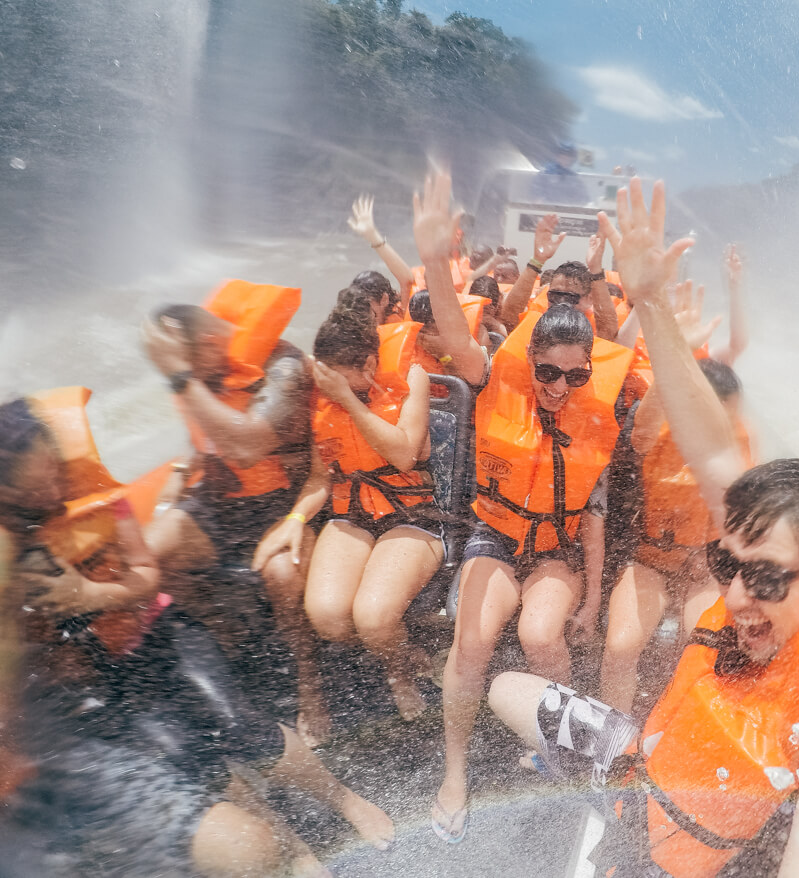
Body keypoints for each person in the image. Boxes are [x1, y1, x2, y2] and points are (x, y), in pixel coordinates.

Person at [487, 179, 799, 877]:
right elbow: (713, 449)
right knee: (506, 690)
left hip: (689, 848)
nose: (739, 596)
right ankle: (616, 775)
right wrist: (650, 303)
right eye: (730, 566)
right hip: (646, 764)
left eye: (768, 579)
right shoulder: (767, 556)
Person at [0, 391, 395, 877]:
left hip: (161, 633)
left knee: (239, 725)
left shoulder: (97, 502)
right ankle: (290, 847)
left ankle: (346, 800)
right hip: (100, 673)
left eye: (54, 469)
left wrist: (87, 595)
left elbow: (147, 577)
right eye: (39, 481)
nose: (54, 483)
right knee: (187, 754)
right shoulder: (10, 549)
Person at [411, 171, 634, 844]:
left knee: (541, 636)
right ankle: (455, 771)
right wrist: (433, 259)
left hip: (556, 549)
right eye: (548, 373)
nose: (561, 387)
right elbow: (456, 333)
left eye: (576, 375)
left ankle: (562, 753)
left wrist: (592, 596)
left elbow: (592, 515)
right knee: (473, 642)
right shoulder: (494, 381)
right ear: (529, 362)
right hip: (497, 535)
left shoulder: (596, 414)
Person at [139, 281, 330, 746]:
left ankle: (310, 681)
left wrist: (179, 376)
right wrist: (182, 468)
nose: (188, 377)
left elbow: (246, 447)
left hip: (288, 503)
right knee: (147, 555)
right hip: (221, 504)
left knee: (283, 573)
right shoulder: (201, 371)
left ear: (209, 343)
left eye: (189, 365)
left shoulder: (282, 366)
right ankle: (228, 630)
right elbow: (205, 432)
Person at [253, 307, 443, 722]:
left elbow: (405, 455)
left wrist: (348, 401)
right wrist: (295, 520)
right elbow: (320, 479)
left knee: (373, 619)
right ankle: (402, 650)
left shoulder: (412, 378)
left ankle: (398, 673)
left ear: (371, 364)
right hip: (352, 514)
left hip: (411, 515)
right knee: (328, 620)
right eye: (325, 379)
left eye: (337, 379)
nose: (327, 388)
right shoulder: (324, 397)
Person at [599, 357, 753, 714]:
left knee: (707, 649)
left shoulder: (740, 443)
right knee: (621, 648)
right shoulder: (654, 430)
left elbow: (742, 519)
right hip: (648, 560)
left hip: (704, 566)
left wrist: (715, 560)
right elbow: (640, 433)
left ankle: (673, 729)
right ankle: (616, 736)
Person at [497, 217, 620, 341]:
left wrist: (596, 269)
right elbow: (509, 317)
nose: (561, 302)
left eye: (570, 297)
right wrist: (537, 260)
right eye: (555, 296)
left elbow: (608, 333)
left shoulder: (591, 332)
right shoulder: (539, 328)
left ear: (589, 299)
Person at [531, 140, 589, 205]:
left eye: (569, 157)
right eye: (563, 156)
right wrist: (539, 201)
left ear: (573, 159)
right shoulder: (546, 172)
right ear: (557, 156)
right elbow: (536, 192)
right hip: (547, 208)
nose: (566, 159)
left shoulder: (574, 177)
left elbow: (583, 197)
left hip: (566, 208)